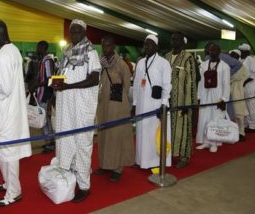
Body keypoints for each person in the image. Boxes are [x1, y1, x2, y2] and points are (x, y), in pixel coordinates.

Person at [0, 20, 32, 207]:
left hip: (6, 112)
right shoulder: (14, 50)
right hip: (10, 110)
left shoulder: (3, 55)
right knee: (3, 152)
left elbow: (4, 88)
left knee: (8, 153)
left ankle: (14, 192)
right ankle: (8, 183)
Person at [51, 19, 101, 203]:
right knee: (67, 141)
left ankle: (84, 186)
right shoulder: (66, 53)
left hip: (82, 109)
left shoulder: (91, 53)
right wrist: (56, 88)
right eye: (72, 32)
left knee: (82, 145)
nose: (75, 35)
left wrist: (68, 86)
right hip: (66, 107)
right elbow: (61, 77)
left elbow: (94, 79)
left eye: (78, 32)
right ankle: (71, 178)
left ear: (84, 33)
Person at [95, 35, 135, 182]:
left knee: (116, 136)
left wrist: (119, 101)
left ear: (114, 47)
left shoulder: (121, 64)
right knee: (104, 135)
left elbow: (126, 85)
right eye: (103, 45)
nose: (105, 49)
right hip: (103, 104)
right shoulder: (99, 63)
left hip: (117, 106)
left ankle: (118, 168)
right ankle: (105, 164)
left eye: (108, 46)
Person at [132, 34, 172, 169]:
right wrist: (135, 103)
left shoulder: (163, 63)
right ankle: (141, 161)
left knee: (154, 132)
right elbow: (137, 83)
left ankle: (155, 162)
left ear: (156, 46)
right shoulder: (141, 62)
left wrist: (164, 104)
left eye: (149, 44)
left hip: (156, 104)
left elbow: (167, 85)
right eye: (145, 44)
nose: (146, 47)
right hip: (141, 104)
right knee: (141, 132)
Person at [164, 32, 197, 168]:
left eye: (176, 39)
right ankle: (168, 154)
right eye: (172, 39)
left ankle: (184, 156)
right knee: (168, 129)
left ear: (182, 42)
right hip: (167, 101)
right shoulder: (166, 56)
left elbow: (192, 81)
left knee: (183, 128)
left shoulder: (188, 58)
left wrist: (189, 104)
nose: (174, 42)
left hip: (182, 101)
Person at [197, 43, 230, 153]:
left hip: (218, 96)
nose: (212, 52)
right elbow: (201, 82)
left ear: (219, 52)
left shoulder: (225, 66)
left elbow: (226, 84)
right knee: (204, 118)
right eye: (210, 50)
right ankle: (205, 141)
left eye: (214, 50)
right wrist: (199, 96)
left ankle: (214, 143)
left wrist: (224, 99)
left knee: (215, 119)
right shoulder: (204, 64)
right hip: (205, 96)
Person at [34, 41, 55, 154]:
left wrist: (37, 85)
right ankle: (48, 141)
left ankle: (51, 143)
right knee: (44, 120)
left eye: (38, 47)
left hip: (46, 94)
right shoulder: (42, 60)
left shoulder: (47, 60)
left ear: (43, 48)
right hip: (41, 93)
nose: (36, 49)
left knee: (46, 120)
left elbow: (50, 79)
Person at [238, 43, 255, 133]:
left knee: (251, 106)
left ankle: (252, 126)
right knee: (244, 106)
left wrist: (245, 82)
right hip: (242, 87)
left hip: (249, 86)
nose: (240, 52)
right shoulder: (241, 59)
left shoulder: (250, 59)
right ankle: (246, 124)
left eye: (242, 51)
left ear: (246, 52)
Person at [229, 49, 249, 141]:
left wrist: (228, 77)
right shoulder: (228, 66)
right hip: (228, 91)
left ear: (237, 57)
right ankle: (232, 132)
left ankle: (241, 132)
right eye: (231, 55)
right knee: (229, 113)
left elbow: (235, 77)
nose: (232, 57)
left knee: (239, 113)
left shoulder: (242, 67)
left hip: (237, 91)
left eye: (234, 56)